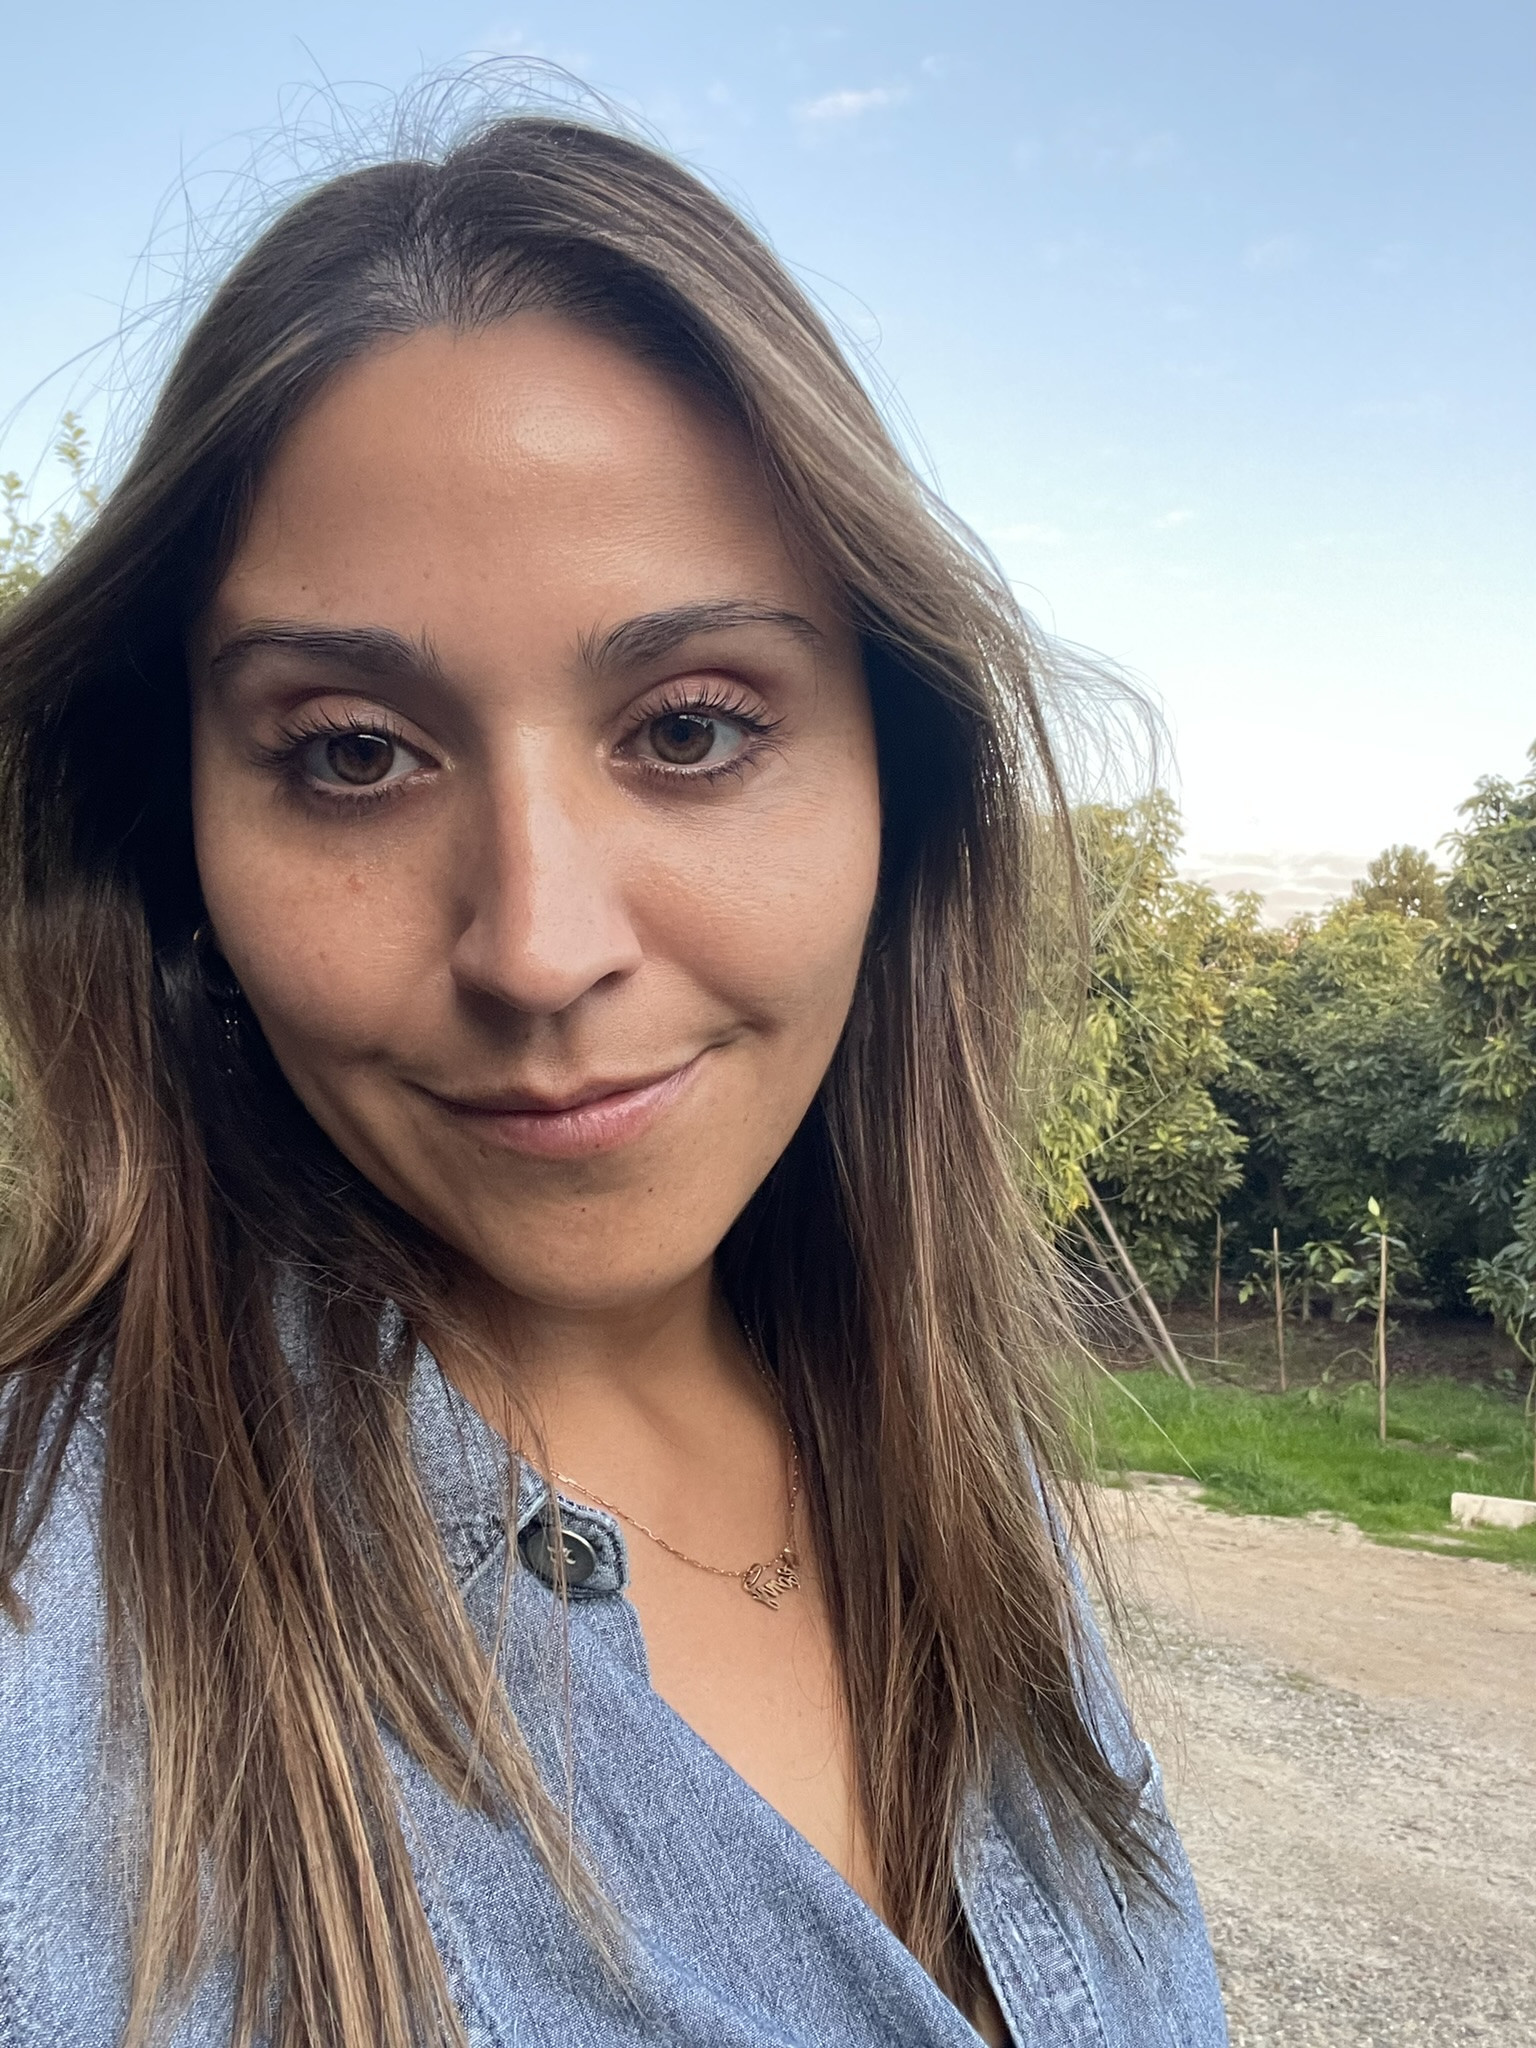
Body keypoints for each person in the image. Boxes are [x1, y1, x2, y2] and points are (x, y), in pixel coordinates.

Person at [0, 108, 1227, 2048]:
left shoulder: (953, 1462)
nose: (538, 946)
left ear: (899, 788)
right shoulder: (41, 1653)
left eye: (692, 727)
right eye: (351, 753)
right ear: (176, 848)